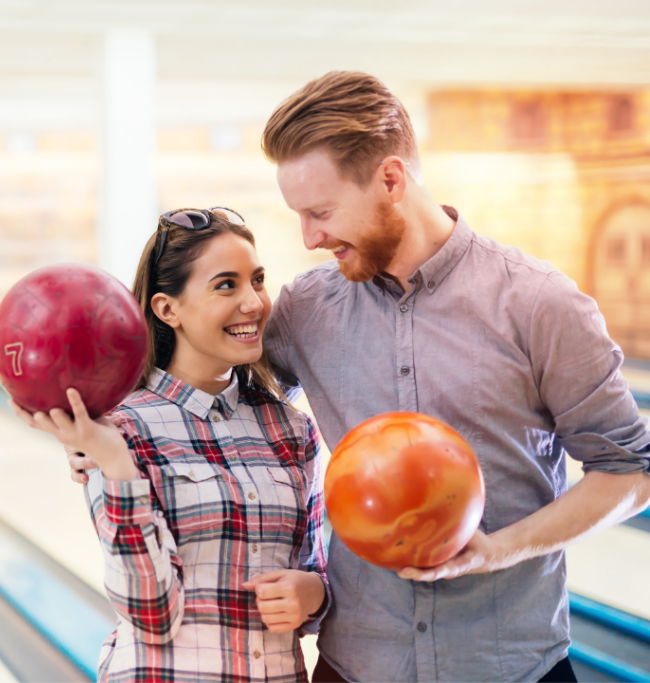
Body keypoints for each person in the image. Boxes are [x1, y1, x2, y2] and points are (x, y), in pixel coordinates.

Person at [74, 71, 650, 683]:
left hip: (510, 666)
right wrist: (89, 403)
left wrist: (496, 551)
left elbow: (631, 473)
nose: (310, 237)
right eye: (299, 215)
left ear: (391, 180)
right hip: (354, 668)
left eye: (321, 212)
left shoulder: (540, 304)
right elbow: (205, 369)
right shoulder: (303, 312)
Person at [12, 208, 330, 682]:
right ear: (168, 309)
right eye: (226, 285)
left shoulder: (290, 428)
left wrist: (314, 594)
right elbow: (150, 611)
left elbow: (317, 570)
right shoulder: (121, 429)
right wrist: (114, 461)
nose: (254, 302)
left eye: (257, 280)